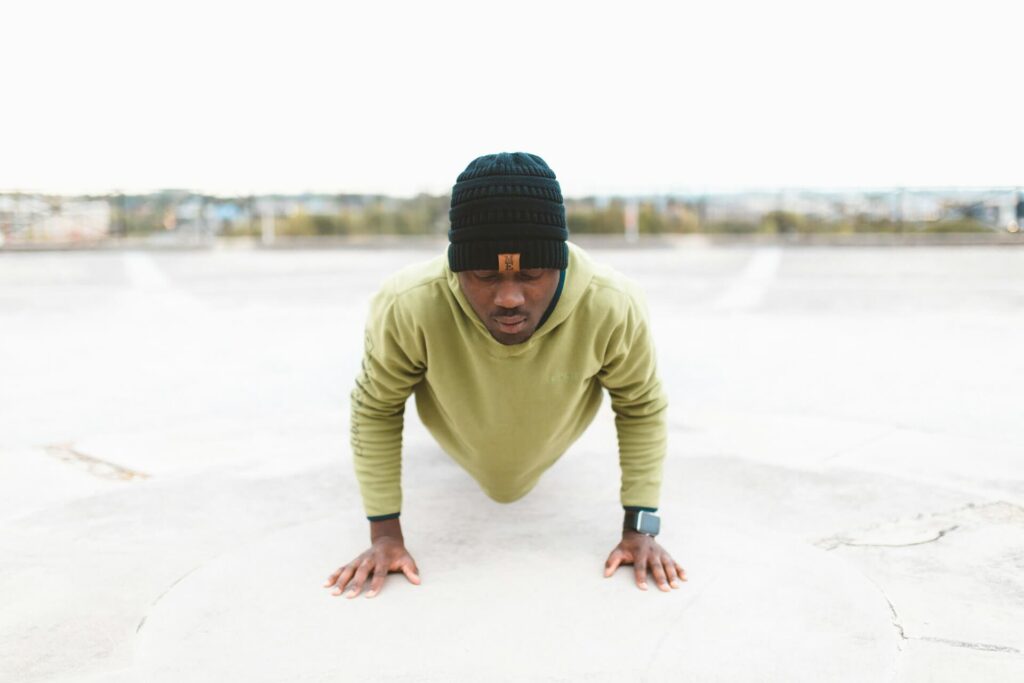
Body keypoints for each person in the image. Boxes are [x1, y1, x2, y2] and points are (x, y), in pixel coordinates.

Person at [323, 152, 685, 599]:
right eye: (484, 274)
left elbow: (642, 407)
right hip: (458, 434)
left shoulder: (612, 305)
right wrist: (384, 537)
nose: (510, 297)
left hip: (549, 438)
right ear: (456, 268)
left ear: (561, 264)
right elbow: (376, 406)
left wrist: (641, 528)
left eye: (532, 273)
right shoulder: (409, 304)